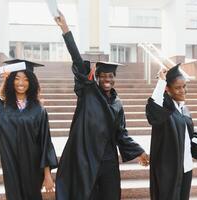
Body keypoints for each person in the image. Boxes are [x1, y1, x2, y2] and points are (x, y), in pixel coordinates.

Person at [54, 12, 149, 200]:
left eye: (110, 76)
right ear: (97, 77)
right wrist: (65, 29)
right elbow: (76, 59)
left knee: (110, 195)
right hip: (85, 157)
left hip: (108, 159)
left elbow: (121, 133)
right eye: (103, 76)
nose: (107, 79)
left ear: (114, 79)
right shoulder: (87, 92)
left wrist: (138, 151)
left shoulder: (117, 104)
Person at [0, 59, 58, 200]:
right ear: (11, 80)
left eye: (26, 79)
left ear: (31, 82)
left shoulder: (39, 110)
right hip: (11, 165)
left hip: (33, 168)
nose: (21, 83)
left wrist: (47, 175)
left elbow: (45, 143)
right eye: (17, 78)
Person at [145, 64, 197, 200]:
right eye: (177, 88)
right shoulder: (164, 109)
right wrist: (161, 81)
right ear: (167, 89)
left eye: (184, 86)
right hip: (167, 170)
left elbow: (188, 134)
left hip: (185, 167)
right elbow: (153, 108)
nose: (183, 91)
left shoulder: (183, 108)